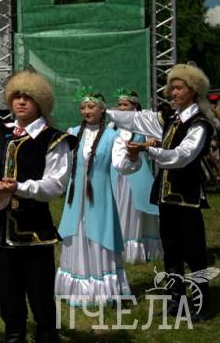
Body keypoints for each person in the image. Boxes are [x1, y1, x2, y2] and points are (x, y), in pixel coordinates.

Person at [0, 70, 76, 343]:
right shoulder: (2, 131)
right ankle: (14, 336)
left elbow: (55, 185)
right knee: (8, 295)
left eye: (28, 97)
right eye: (16, 96)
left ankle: (47, 336)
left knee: (40, 295)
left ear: (41, 102)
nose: (21, 102)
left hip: (35, 232)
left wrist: (20, 187)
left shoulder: (53, 139)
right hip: (5, 232)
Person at [107, 63, 215, 321]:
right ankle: (175, 301)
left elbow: (182, 156)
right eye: (172, 88)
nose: (173, 92)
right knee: (171, 250)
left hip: (187, 197)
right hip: (166, 197)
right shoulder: (170, 118)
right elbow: (137, 119)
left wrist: (148, 149)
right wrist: (105, 111)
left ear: (193, 90)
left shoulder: (199, 123)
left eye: (179, 88)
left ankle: (200, 304)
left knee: (194, 253)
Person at [54, 88, 131, 307]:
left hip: (100, 197)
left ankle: (101, 289)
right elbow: (63, 163)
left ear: (102, 109)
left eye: (91, 107)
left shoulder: (112, 136)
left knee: (99, 236)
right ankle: (76, 287)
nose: (86, 111)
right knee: (75, 234)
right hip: (75, 198)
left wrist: (132, 157)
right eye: (83, 107)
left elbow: (122, 165)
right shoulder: (73, 132)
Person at [110, 88, 162, 264]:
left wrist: (143, 146)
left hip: (136, 172)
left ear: (134, 106)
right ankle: (117, 246)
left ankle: (136, 248)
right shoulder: (113, 126)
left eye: (125, 104)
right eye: (119, 104)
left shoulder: (142, 123)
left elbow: (154, 142)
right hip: (114, 173)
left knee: (134, 209)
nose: (121, 108)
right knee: (116, 207)